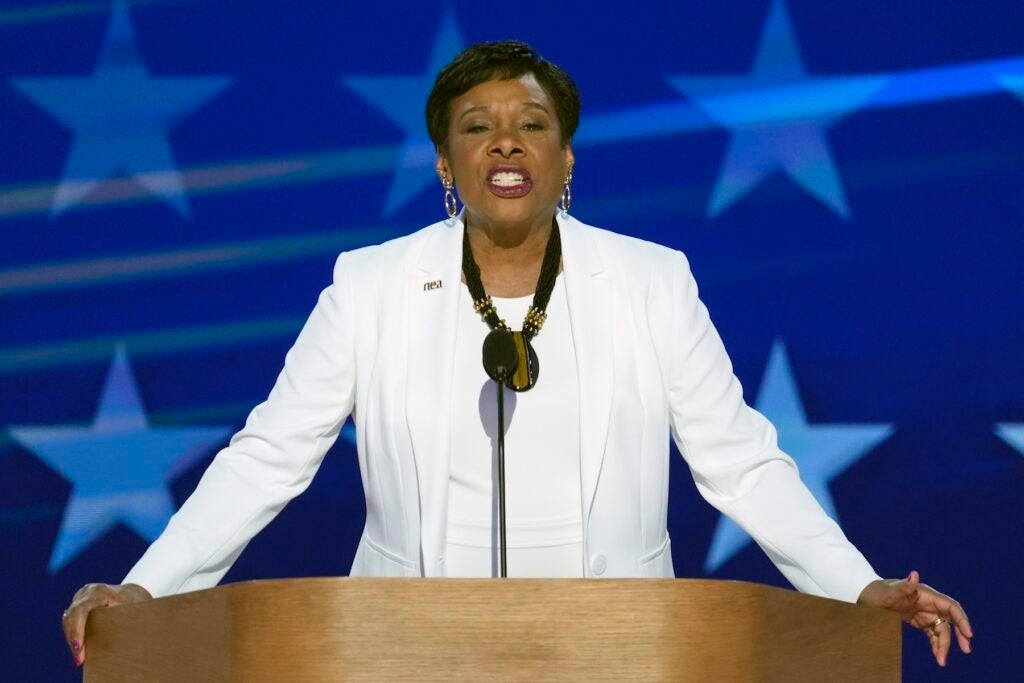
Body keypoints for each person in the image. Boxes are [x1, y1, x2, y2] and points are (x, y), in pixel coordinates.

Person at [62, 40, 972, 669]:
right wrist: (149, 589)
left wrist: (857, 585)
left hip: (617, 651)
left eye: (531, 123)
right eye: (476, 124)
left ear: (565, 159)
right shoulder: (370, 284)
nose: (505, 137)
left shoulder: (651, 281)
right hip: (405, 652)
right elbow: (269, 457)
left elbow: (738, 459)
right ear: (445, 168)